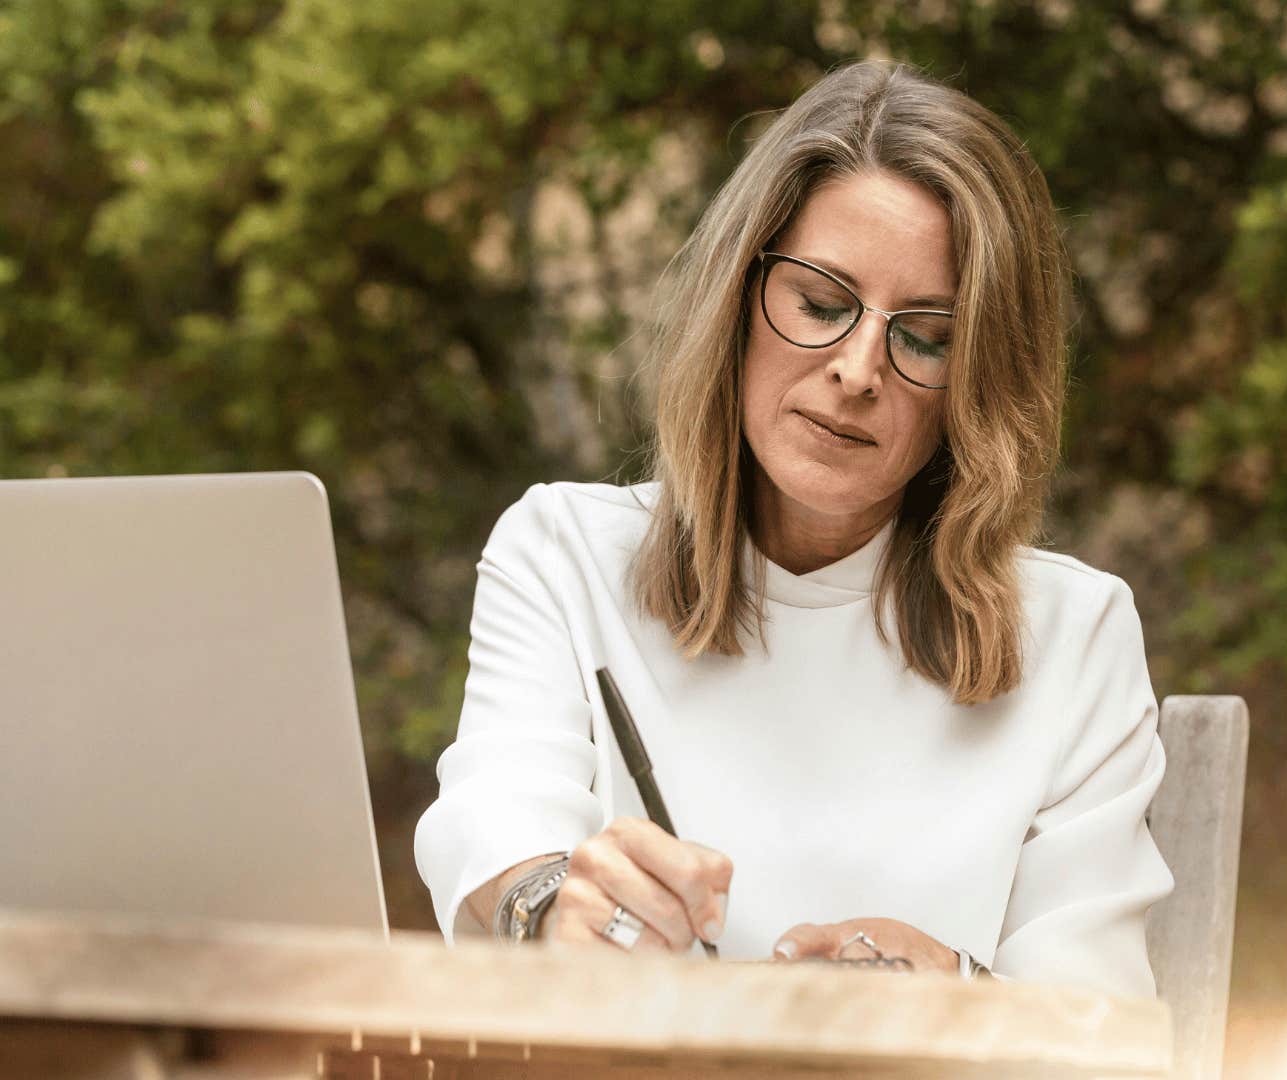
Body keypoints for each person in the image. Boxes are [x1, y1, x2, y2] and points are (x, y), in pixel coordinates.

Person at [413, 59, 1174, 998]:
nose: (858, 369)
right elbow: (499, 819)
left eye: (926, 336)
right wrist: (549, 904)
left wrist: (963, 994)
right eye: (820, 304)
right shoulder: (565, 555)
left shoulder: (1074, 635)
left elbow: (1101, 1027)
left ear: (979, 382)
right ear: (739, 296)